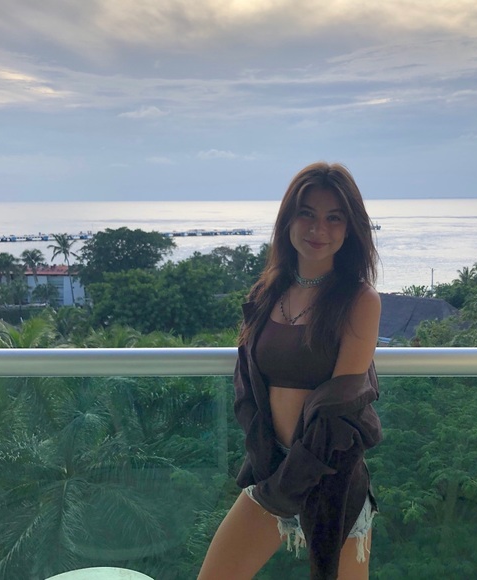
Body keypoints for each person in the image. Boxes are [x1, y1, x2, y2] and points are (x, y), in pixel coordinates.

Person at [198, 162, 382, 580]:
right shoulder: (268, 292)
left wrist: (286, 485)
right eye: (307, 214)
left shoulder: (359, 301)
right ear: (288, 220)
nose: (319, 229)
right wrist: (271, 472)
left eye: (334, 218)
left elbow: (339, 411)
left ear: (350, 228)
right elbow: (249, 388)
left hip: (330, 477)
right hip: (272, 469)